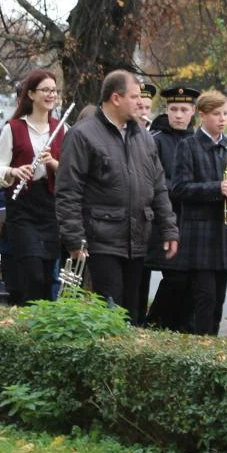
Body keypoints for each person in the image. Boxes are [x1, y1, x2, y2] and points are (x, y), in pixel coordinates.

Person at [55, 70, 179, 310]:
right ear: (116, 98)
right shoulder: (82, 135)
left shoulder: (143, 137)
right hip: (100, 242)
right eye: (134, 97)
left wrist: (169, 229)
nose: (140, 102)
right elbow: (68, 191)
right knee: (108, 311)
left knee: (130, 312)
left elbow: (158, 187)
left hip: (136, 241)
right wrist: (74, 239)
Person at [170, 91, 227, 336]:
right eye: (216, 114)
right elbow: (179, 188)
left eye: (225, 113)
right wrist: (217, 188)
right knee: (204, 299)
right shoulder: (188, 146)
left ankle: (212, 344)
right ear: (202, 116)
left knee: (218, 302)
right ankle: (203, 344)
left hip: (224, 234)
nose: (222, 119)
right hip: (199, 234)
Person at [0, 69, 66, 306]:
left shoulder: (61, 128)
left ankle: (40, 322)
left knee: (47, 277)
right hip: (22, 207)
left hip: (49, 207)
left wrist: (53, 163)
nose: (51, 95)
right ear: (31, 94)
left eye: (54, 90)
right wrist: (14, 171)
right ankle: (26, 316)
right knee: (32, 274)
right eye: (45, 90)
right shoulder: (12, 128)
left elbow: (70, 172)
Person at [144, 86, 199, 331]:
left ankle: (179, 326)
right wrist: (183, 187)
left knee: (188, 280)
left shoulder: (196, 139)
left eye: (184, 110)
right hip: (164, 219)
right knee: (174, 276)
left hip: (191, 219)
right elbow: (154, 180)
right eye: (173, 109)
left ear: (193, 111)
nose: (178, 115)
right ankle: (155, 322)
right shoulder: (156, 140)